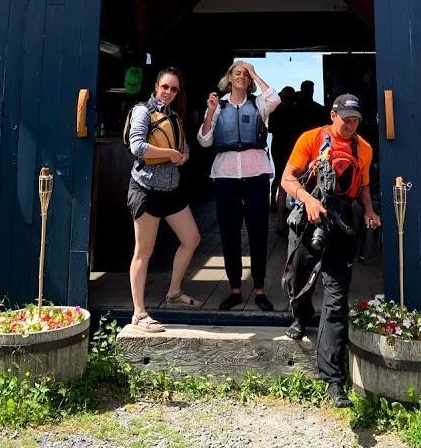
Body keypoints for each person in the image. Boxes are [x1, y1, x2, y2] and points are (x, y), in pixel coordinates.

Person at [281, 93, 380, 407]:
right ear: (333, 115)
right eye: (346, 118)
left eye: (356, 120)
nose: (351, 125)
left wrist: (369, 211)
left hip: (342, 221)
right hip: (309, 216)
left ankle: (332, 379)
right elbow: (287, 179)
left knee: (337, 300)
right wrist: (309, 200)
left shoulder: (364, 148)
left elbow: (363, 185)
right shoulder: (311, 139)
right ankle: (301, 315)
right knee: (297, 280)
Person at [199, 61, 281, 311]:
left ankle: (259, 289)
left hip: (256, 174)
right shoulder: (218, 106)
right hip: (225, 176)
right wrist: (210, 112)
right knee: (229, 233)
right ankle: (235, 289)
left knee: (258, 232)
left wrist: (254, 72)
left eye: (246, 74)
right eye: (238, 73)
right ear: (229, 77)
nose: (242, 77)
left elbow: (274, 98)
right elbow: (204, 141)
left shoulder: (258, 104)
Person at [126, 66, 201, 333]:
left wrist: (184, 156)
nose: (168, 92)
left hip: (171, 189)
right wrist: (169, 153)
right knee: (143, 251)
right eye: (165, 87)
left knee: (191, 239)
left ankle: (174, 291)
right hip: (146, 189)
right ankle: (139, 313)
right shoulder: (142, 111)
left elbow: (184, 146)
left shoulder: (173, 115)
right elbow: (137, 146)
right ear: (156, 86)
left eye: (174, 89)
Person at [269, 85, 298, 231]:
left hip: (277, 145)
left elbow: (270, 129)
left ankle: (274, 202)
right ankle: (288, 208)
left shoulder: (275, 109)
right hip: (288, 146)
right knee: (289, 177)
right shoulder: (291, 110)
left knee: (279, 175)